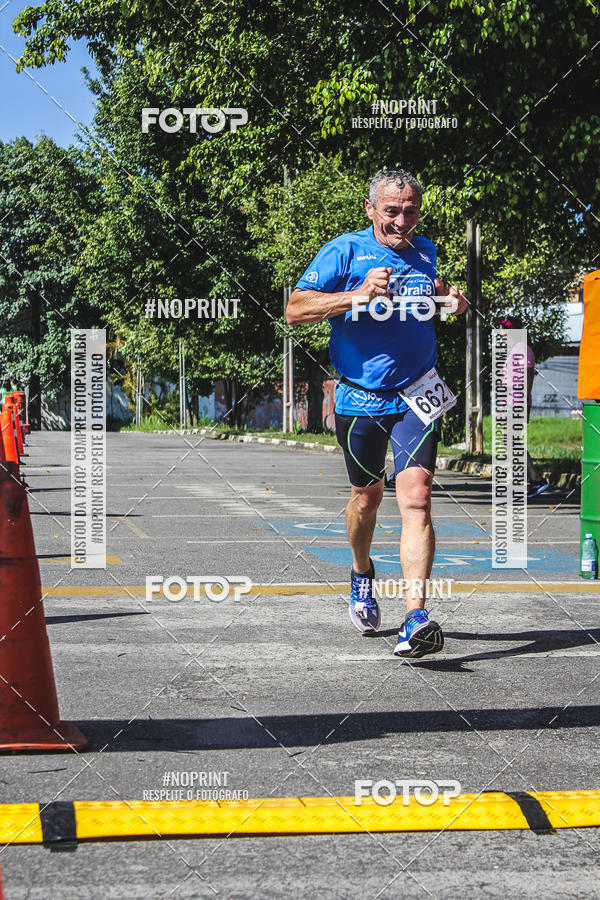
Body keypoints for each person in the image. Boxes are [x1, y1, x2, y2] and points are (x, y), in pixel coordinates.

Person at [286, 169, 467, 657]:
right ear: (370, 209)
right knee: (366, 500)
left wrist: (454, 302)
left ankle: (416, 617)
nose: (401, 220)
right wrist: (355, 296)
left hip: (417, 392)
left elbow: (443, 296)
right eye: (391, 210)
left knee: (418, 496)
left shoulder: (425, 250)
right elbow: (295, 309)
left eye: (410, 210)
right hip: (360, 396)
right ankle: (362, 572)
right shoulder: (343, 251)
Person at [493, 315, 549, 499]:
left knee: (513, 443)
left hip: (517, 403)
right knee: (511, 443)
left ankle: (535, 479)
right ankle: (527, 479)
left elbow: (527, 378)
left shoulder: (522, 349)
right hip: (510, 403)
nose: (501, 334)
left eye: (504, 330)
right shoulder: (514, 350)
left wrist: (521, 404)